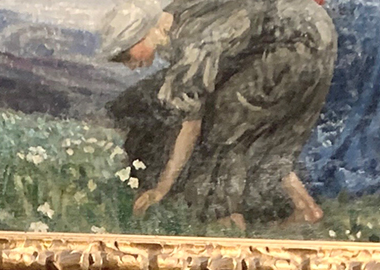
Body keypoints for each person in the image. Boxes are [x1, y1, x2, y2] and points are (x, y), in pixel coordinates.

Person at [101, 0, 336, 229]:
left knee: (224, 120)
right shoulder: (178, 13)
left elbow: (191, 126)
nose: (129, 65)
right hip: (316, 31)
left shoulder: (191, 46)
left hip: (297, 45)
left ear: (142, 32)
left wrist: (162, 188)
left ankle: (228, 217)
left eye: (127, 55)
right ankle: (305, 208)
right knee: (264, 135)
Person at [298, 0, 380, 205]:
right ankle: (357, 156)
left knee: (341, 110)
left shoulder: (351, 18)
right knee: (372, 117)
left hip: (356, 22)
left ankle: (335, 162)